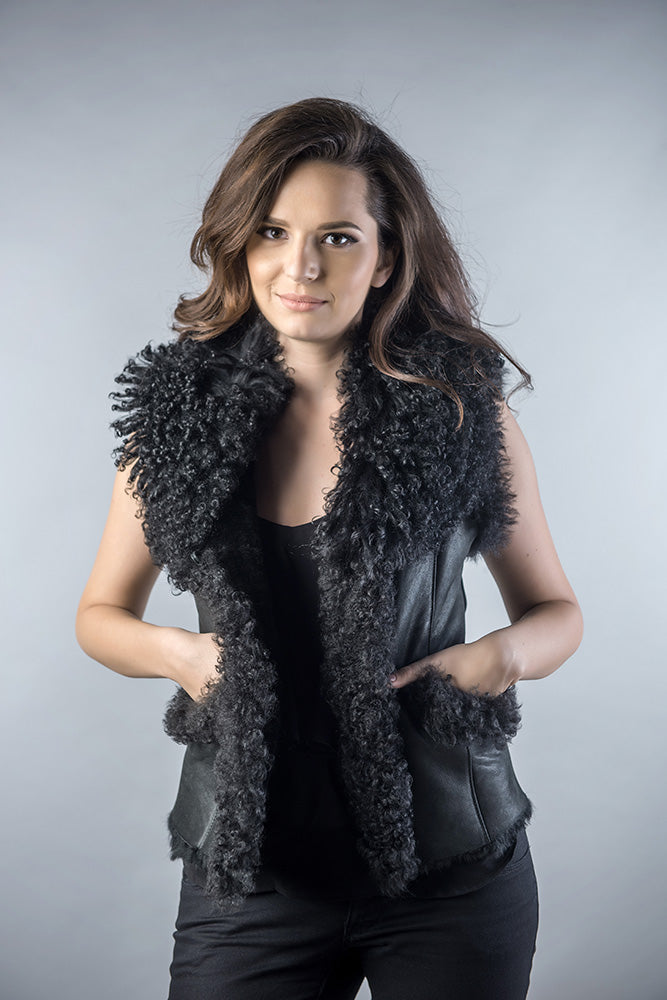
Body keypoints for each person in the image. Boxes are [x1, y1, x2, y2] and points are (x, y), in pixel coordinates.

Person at [75, 97, 584, 1000]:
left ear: (385, 256)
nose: (300, 266)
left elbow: (557, 614)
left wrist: (497, 657)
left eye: (338, 237)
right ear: (240, 244)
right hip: (252, 870)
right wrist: (184, 656)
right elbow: (100, 617)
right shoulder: (173, 423)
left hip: (451, 866)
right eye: (273, 231)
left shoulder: (463, 414)